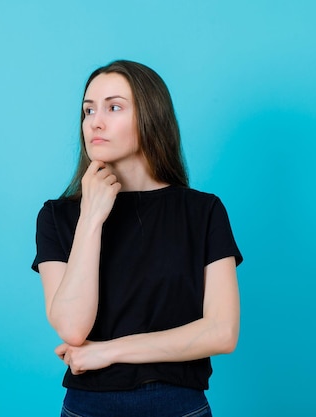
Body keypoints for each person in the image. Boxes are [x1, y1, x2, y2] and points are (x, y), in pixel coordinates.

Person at [31, 60, 243, 417]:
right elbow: (72, 327)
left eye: (114, 107)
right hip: (87, 408)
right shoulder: (57, 216)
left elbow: (222, 332)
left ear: (150, 117)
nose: (95, 121)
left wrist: (108, 351)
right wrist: (91, 219)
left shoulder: (203, 212)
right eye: (88, 110)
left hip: (179, 407)